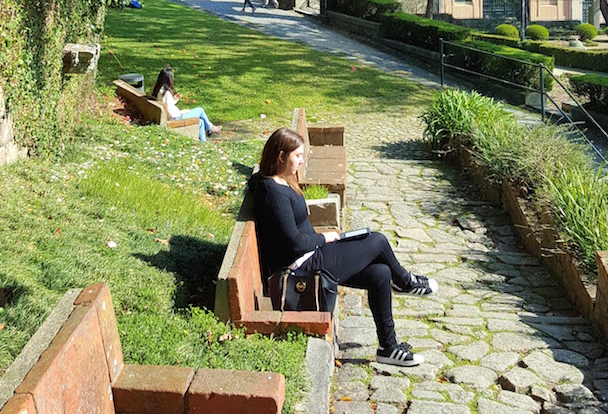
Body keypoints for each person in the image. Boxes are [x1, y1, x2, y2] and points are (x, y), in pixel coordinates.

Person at [252, 128, 437, 367]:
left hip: (311, 255)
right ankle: (405, 282)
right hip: (302, 267)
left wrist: (329, 238)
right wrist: (326, 238)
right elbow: (294, 243)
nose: (302, 160)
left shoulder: (280, 183)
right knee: (378, 240)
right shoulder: (273, 192)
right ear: (280, 156)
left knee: (380, 273)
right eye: (297, 155)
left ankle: (388, 348)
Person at [151, 66, 221, 141]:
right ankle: (211, 128)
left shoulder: (159, 90)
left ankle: (203, 142)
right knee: (200, 110)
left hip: (172, 117)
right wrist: (183, 112)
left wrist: (175, 99)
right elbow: (172, 113)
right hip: (176, 118)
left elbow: (168, 105)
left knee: (201, 122)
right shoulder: (166, 93)